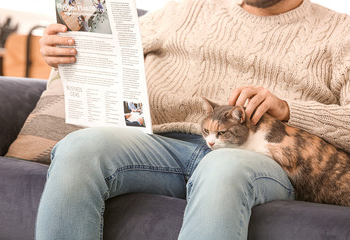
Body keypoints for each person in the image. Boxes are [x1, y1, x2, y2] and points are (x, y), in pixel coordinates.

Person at [36, 0, 350, 239]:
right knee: (80, 149)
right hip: (161, 144)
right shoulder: (187, 9)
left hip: (258, 156)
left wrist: (289, 109)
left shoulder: (340, 32)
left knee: (222, 167)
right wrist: (64, 52)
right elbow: (103, 57)